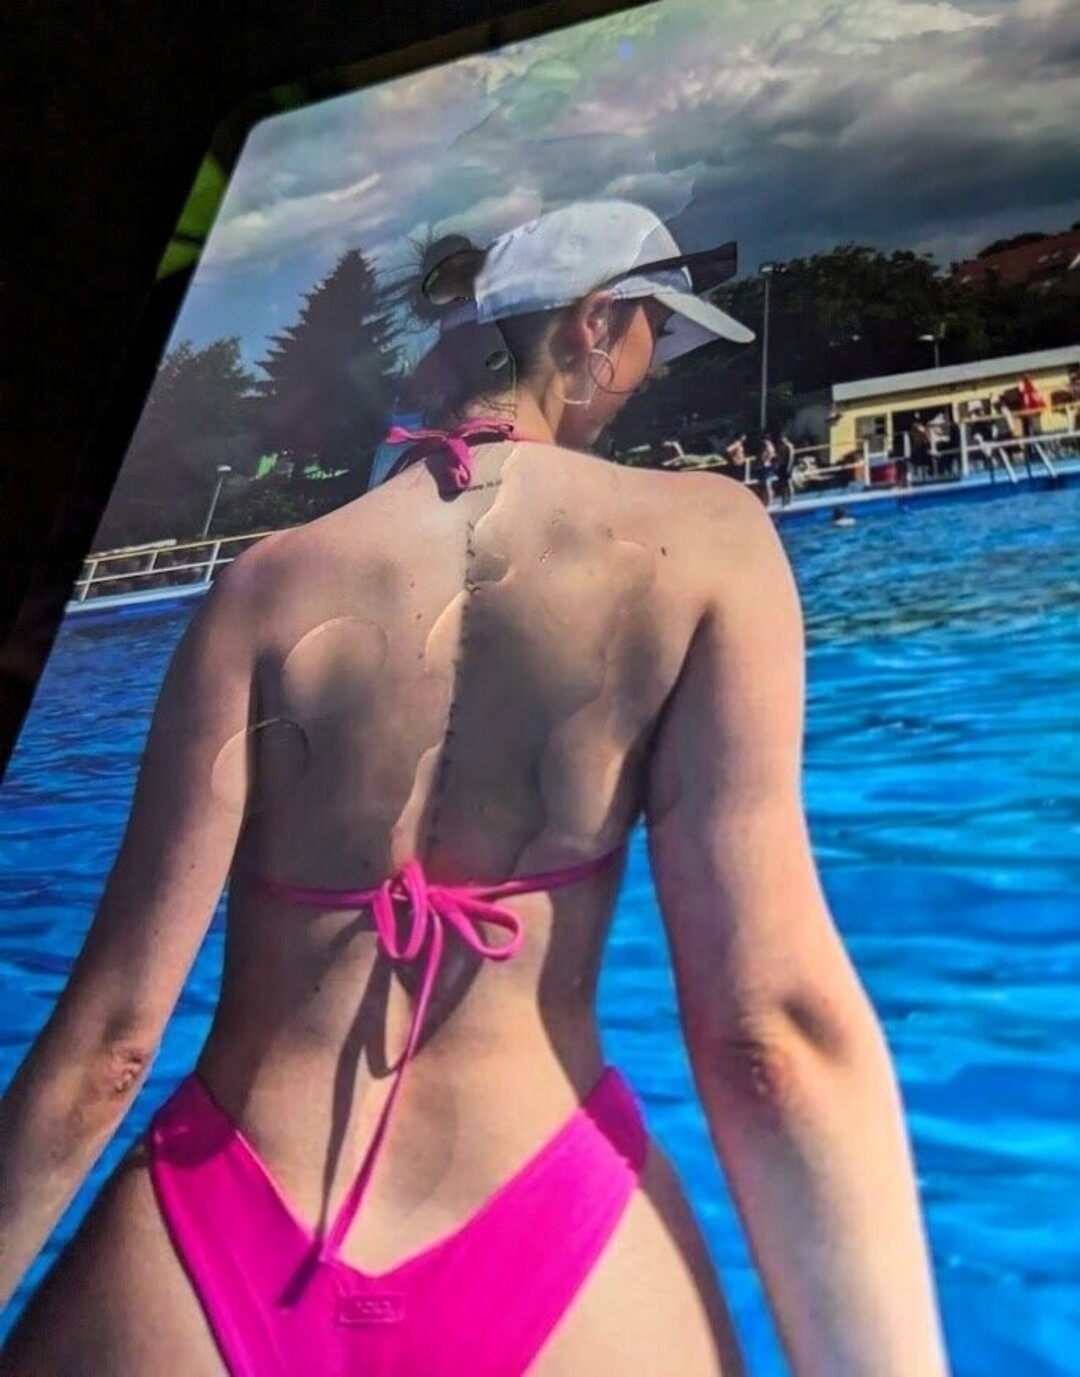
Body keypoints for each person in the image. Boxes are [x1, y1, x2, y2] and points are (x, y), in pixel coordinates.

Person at [0, 200, 950, 1377]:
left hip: (213, 1238)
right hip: (555, 1245)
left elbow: (107, 1050)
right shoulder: (707, 543)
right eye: (652, 331)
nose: (651, 366)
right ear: (593, 325)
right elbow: (770, 1037)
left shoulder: (262, 588)